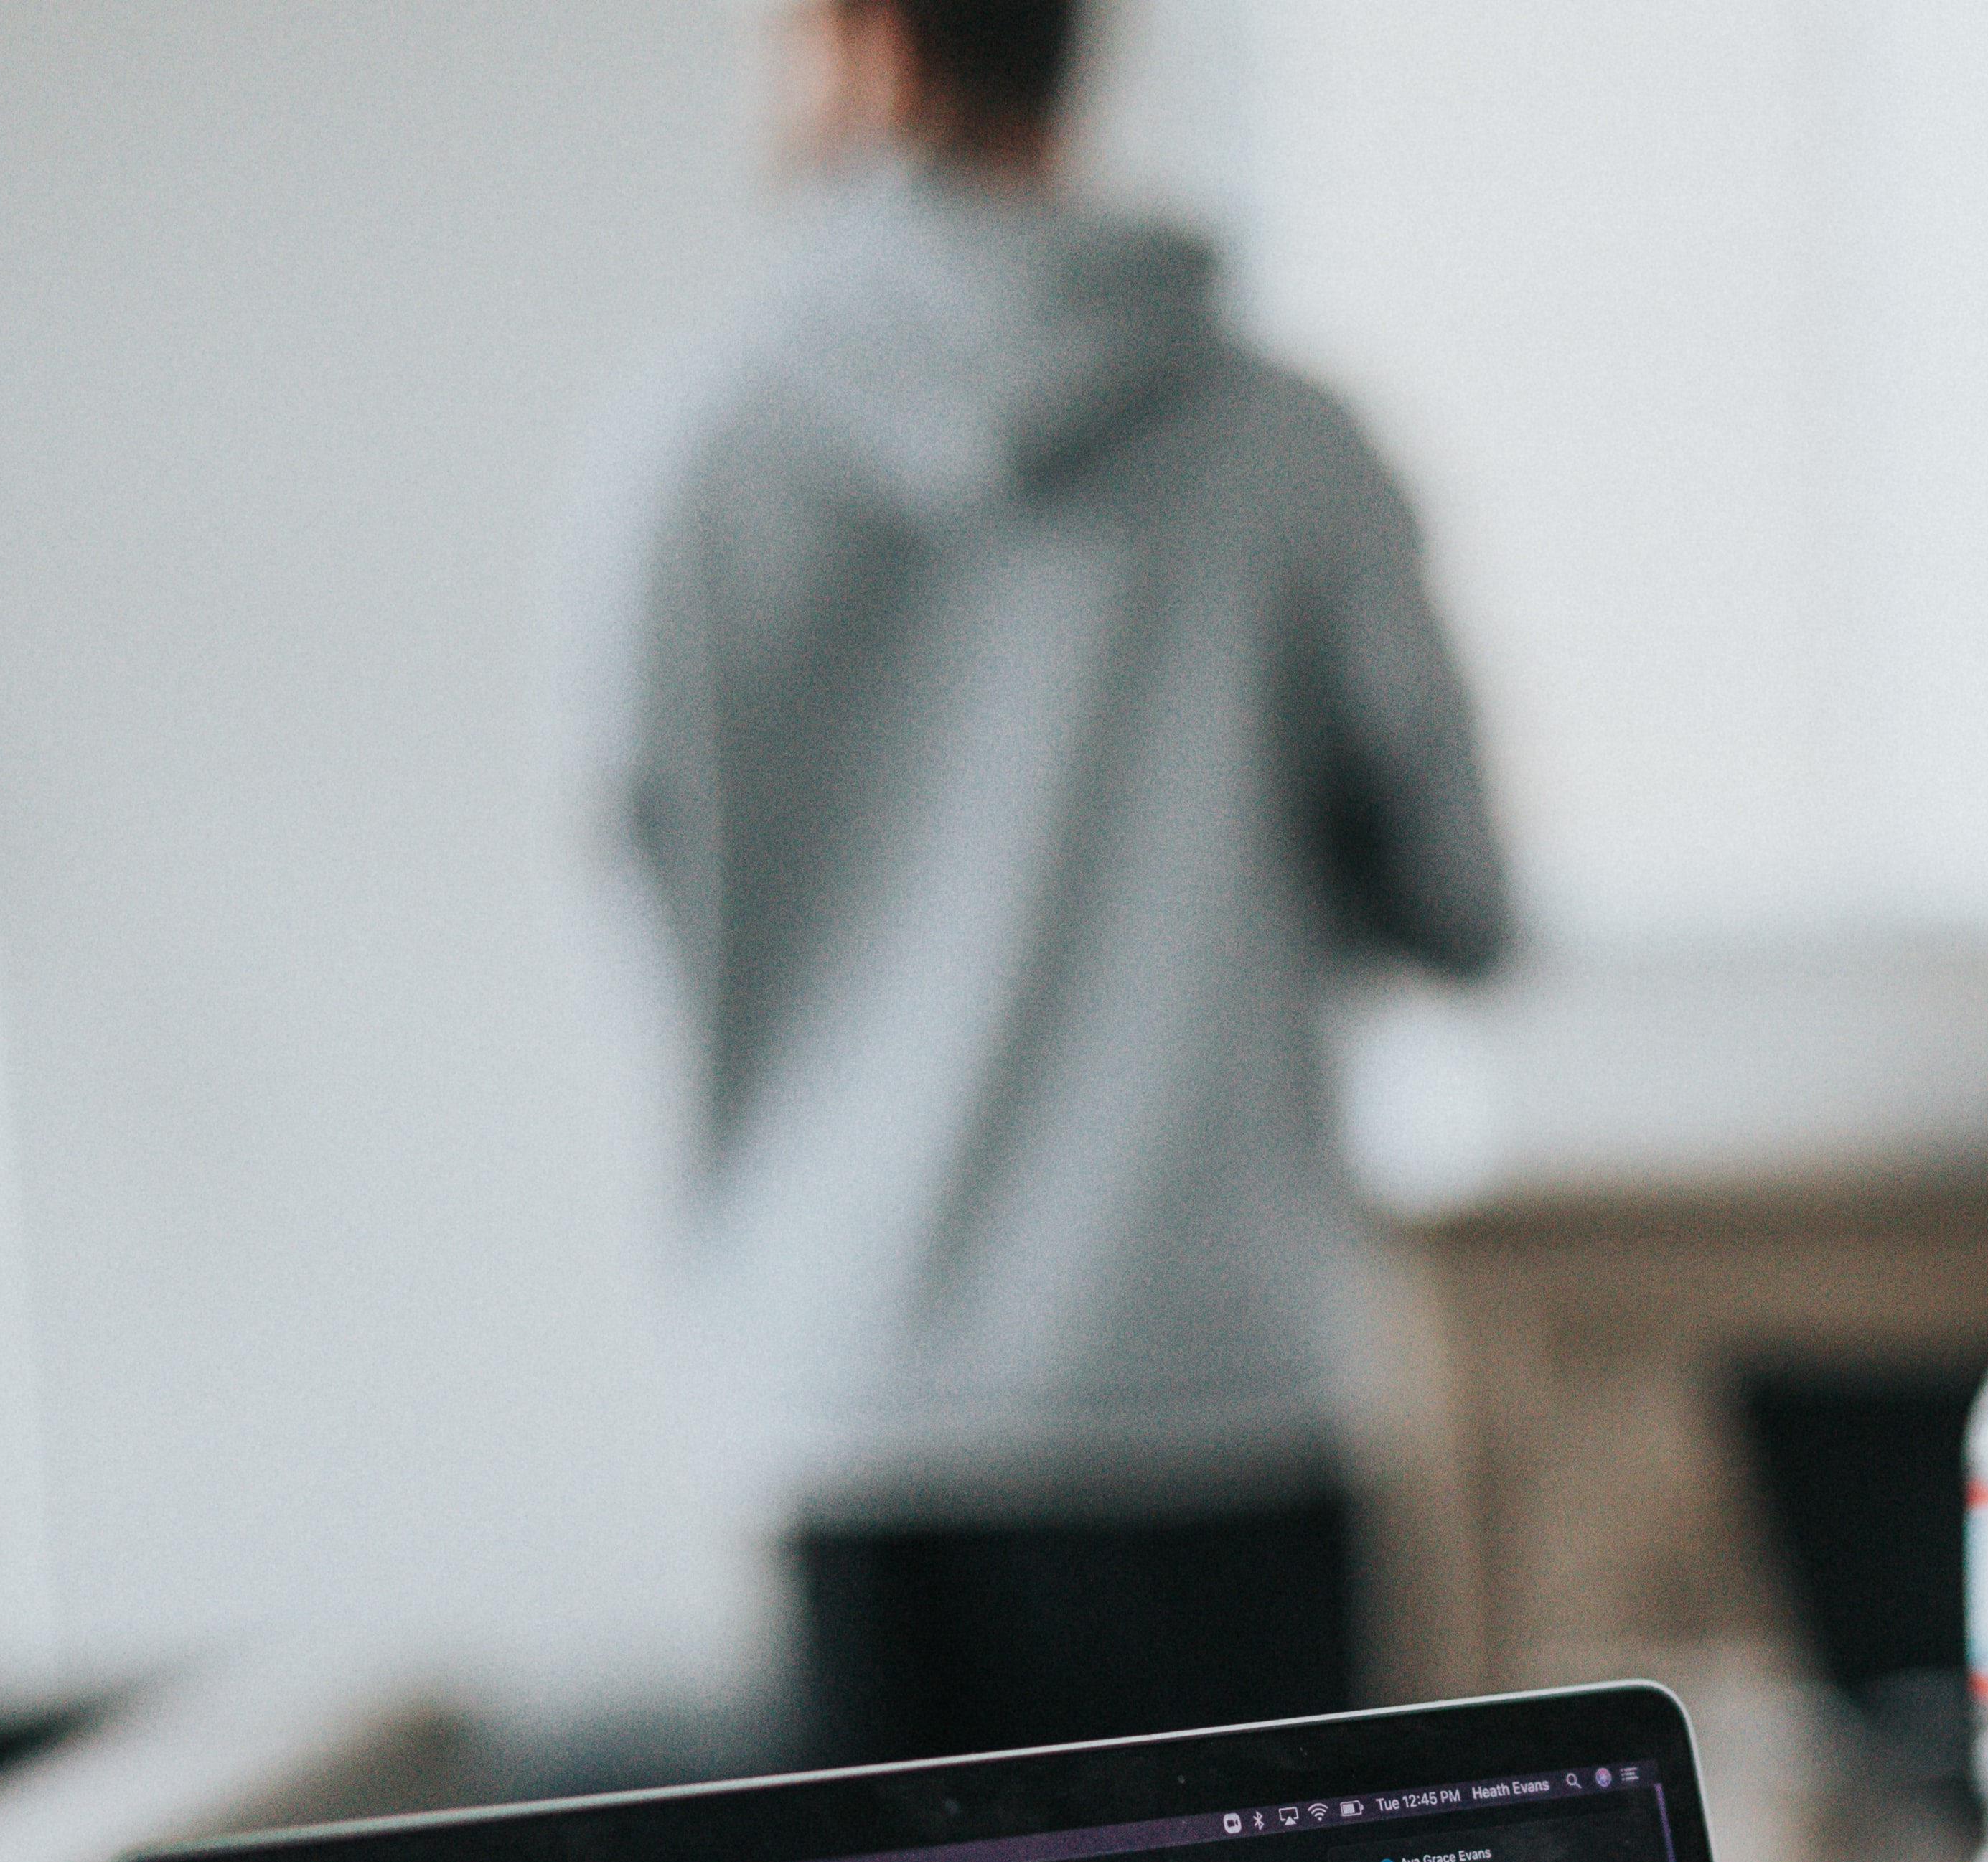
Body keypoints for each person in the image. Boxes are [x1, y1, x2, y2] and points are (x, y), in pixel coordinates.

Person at [586, 0, 1513, 1767]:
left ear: (859, 48)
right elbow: (1459, 899)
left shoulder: (688, 454)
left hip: (856, 1386)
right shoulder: (1288, 449)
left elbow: (640, 868)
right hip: (1214, 1372)